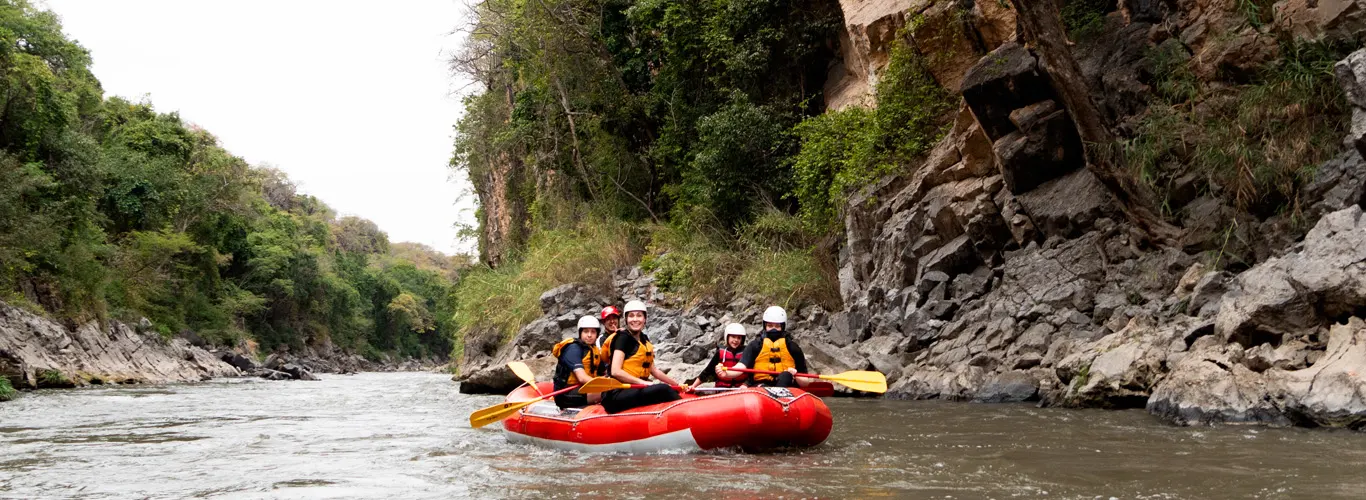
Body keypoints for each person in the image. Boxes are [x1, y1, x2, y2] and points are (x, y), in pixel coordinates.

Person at [601, 299, 685, 413]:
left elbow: (654, 370)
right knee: (663, 389)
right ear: (626, 319)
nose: (635, 319)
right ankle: (686, 415)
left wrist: (678, 385)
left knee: (670, 390)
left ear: (644, 319)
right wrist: (644, 383)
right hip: (616, 393)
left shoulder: (644, 339)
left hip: (635, 389)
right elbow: (616, 371)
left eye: (639, 316)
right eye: (631, 316)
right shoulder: (622, 338)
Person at [723, 306, 811, 388]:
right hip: (761, 386)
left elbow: (805, 382)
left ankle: (778, 395)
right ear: (765, 326)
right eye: (770, 326)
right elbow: (740, 367)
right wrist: (726, 373)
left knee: (786, 375)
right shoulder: (755, 346)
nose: (773, 329)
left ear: (783, 326)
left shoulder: (793, 348)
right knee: (763, 386)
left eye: (777, 326)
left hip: (786, 386)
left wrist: (795, 374)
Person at [550, 316, 604, 409]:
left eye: (593, 332)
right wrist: (604, 385)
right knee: (608, 391)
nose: (589, 335)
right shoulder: (573, 348)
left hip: (583, 388)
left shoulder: (594, 350)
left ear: (597, 334)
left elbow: (604, 372)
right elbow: (582, 378)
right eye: (586, 331)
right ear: (580, 333)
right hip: (566, 393)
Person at [691, 322, 748, 389]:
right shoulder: (720, 352)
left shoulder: (747, 352)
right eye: (733, 337)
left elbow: (752, 373)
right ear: (727, 337)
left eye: (739, 338)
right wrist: (693, 386)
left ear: (742, 340)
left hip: (740, 388)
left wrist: (746, 384)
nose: (736, 340)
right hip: (723, 388)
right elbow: (707, 371)